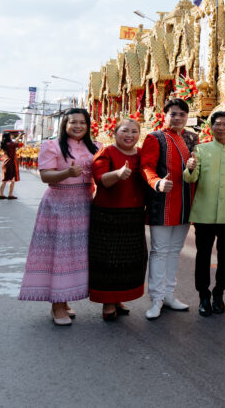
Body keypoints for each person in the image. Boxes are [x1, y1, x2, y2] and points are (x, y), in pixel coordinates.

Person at [19, 109, 101, 324]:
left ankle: (64, 299)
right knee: (59, 255)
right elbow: (45, 176)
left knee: (77, 256)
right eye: (73, 122)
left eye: (82, 122)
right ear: (64, 124)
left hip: (85, 204)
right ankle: (57, 306)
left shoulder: (96, 147)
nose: (78, 126)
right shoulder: (52, 145)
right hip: (58, 205)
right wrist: (66, 173)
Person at [141, 98, 200, 320]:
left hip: (185, 203)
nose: (177, 118)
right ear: (164, 115)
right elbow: (146, 166)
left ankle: (168, 295)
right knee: (159, 251)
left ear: (187, 117)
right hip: (162, 202)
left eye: (182, 115)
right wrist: (156, 182)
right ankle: (156, 299)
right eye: (173, 114)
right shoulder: (154, 138)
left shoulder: (192, 138)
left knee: (174, 251)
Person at [183, 109, 225, 317]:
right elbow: (191, 178)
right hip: (204, 214)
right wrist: (189, 168)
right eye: (217, 124)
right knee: (203, 256)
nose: (221, 128)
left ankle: (219, 294)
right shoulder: (201, 150)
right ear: (211, 126)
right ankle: (203, 296)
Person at [89, 118, 147, 321]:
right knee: (108, 261)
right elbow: (101, 179)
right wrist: (118, 173)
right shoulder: (106, 153)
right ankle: (108, 302)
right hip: (108, 215)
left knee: (129, 261)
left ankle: (119, 297)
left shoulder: (142, 154)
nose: (129, 135)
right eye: (125, 131)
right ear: (115, 133)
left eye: (134, 131)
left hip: (133, 215)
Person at [0, 131, 24, 200]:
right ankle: (10, 195)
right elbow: (21, 144)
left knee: (4, 179)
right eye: (10, 136)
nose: (12, 136)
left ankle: (1, 194)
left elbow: (14, 142)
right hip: (11, 162)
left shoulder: (4, 143)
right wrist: (24, 137)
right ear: (8, 137)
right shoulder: (11, 144)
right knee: (12, 179)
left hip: (5, 162)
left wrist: (19, 136)